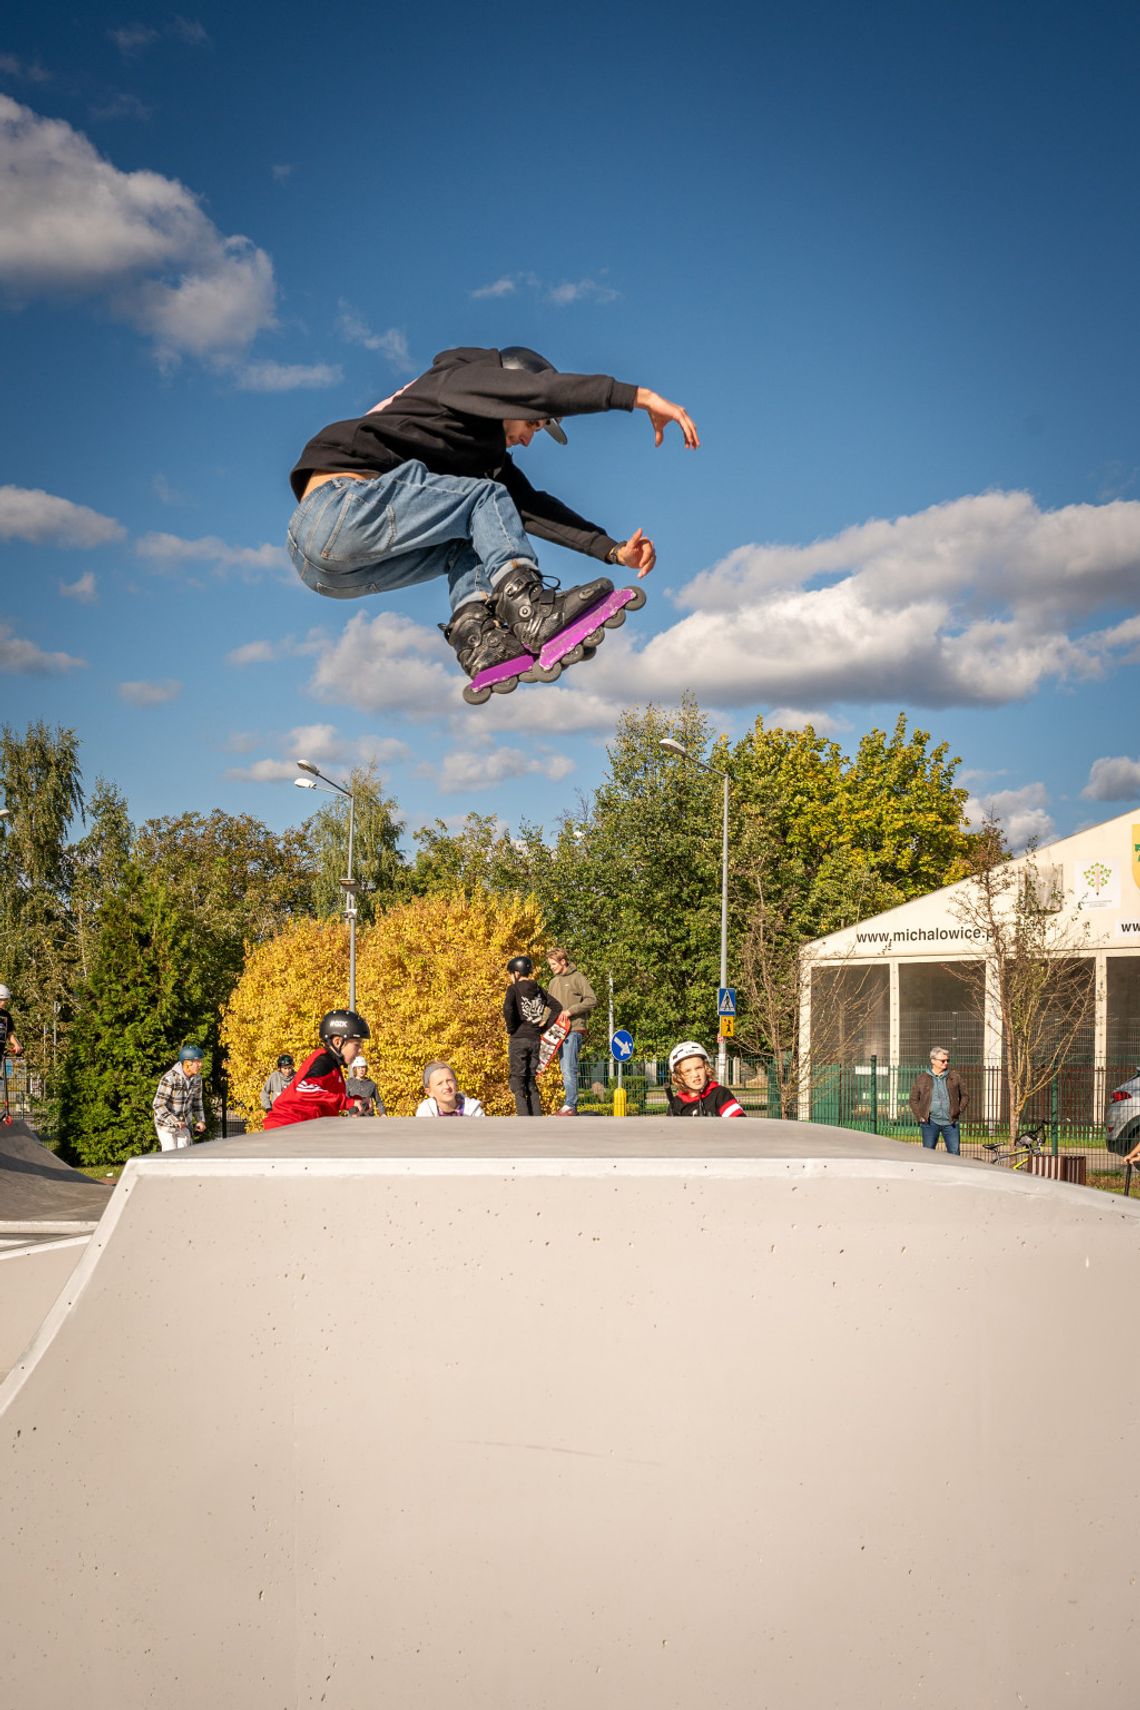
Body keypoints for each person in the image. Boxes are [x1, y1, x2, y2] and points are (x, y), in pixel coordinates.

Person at [287, 346, 699, 688]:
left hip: (331, 572)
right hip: (339, 508)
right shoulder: (462, 381)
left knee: (474, 534)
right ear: (509, 394)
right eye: (532, 423)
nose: (528, 437)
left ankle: (479, 640)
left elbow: (529, 506)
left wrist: (611, 550)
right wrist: (637, 397)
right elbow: (542, 392)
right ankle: (530, 610)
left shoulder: (479, 455)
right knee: (486, 498)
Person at [263, 1010, 371, 1128]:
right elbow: (305, 1089)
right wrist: (347, 1102)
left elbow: (326, 1097)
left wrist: (356, 1101)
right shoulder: (323, 1061)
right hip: (287, 1126)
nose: (360, 1050)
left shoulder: (333, 1066)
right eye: (357, 1045)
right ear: (338, 1042)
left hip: (303, 1127)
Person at [545, 947, 597, 1116]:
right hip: (557, 1031)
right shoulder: (553, 982)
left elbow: (591, 1000)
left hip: (573, 1029)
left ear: (563, 961)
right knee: (563, 1068)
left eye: (553, 964)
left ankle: (570, 1105)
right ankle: (569, 1104)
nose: (551, 967)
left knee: (569, 1068)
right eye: (550, 964)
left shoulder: (577, 978)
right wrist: (542, 1025)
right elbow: (549, 1007)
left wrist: (571, 1011)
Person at [503, 955, 557, 1116]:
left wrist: (512, 1028)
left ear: (516, 973)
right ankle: (537, 1119)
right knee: (531, 1081)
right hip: (535, 1039)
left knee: (518, 1083)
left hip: (519, 1039)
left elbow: (508, 1009)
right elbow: (557, 1007)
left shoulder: (513, 989)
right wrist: (544, 1027)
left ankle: (524, 1121)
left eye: (510, 974)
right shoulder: (539, 989)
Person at [908, 1046, 968, 1154]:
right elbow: (913, 1100)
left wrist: (958, 1110)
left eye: (947, 1060)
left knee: (955, 1153)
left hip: (951, 1123)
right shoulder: (922, 1078)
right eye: (943, 1060)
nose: (946, 1063)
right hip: (930, 1123)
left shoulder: (954, 1077)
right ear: (933, 1061)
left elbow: (965, 1096)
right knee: (929, 1154)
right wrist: (920, 1117)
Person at [665, 1041, 745, 1118]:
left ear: (706, 1068)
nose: (695, 1074)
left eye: (699, 1068)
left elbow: (739, 1124)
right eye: (688, 1071)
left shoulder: (720, 1094)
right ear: (679, 1076)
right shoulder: (676, 1104)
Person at [152, 1045, 207, 1151]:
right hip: (166, 1125)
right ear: (187, 1063)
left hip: (184, 1124)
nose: (201, 1064)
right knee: (170, 1153)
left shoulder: (197, 1079)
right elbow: (158, 1104)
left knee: (184, 1154)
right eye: (197, 1062)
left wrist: (200, 1120)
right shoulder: (169, 1079)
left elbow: (197, 1102)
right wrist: (174, 1120)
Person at [416, 1061, 485, 1118]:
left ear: (456, 1083)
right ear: (429, 1092)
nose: (446, 1086)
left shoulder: (473, 1110)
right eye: (440, 1083)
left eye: (449, 1080)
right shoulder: (425, 1112)